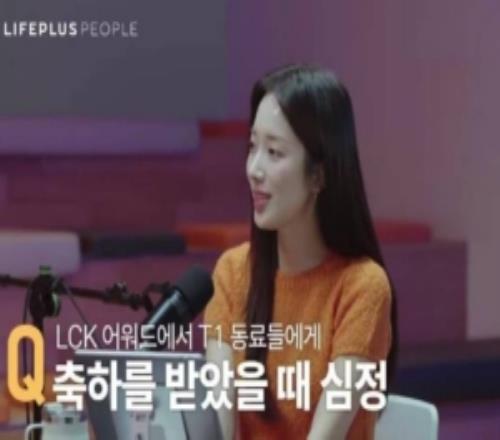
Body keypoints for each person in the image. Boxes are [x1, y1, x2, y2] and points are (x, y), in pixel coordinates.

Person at [203, 64, 398, 440]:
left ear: (318, 174)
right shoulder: (233, 273)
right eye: (252, 147)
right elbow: (218, 429)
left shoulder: (363, 287)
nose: (254, 169)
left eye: (274, 152)